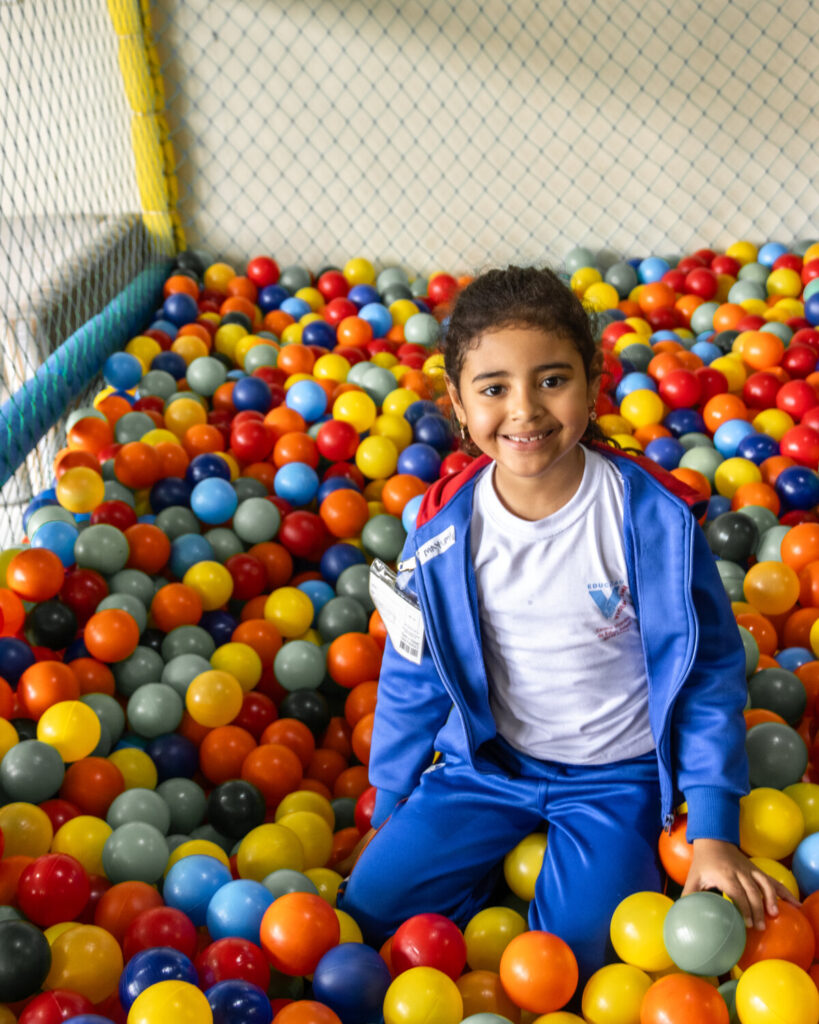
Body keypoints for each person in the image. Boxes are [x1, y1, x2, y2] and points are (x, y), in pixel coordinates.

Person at [337, 265, 797, 987]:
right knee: (368, 909)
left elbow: (709, 674)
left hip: (617, 777)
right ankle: (476, 889)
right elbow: (413, 668)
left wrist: (712, 829)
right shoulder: (440, 530)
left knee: (577, 964)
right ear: (457, 402)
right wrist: (391, 802)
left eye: (551, 380)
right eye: (493, 389)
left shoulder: (650, 519)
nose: (524, 410)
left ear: (592, 383)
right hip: (488, 766)